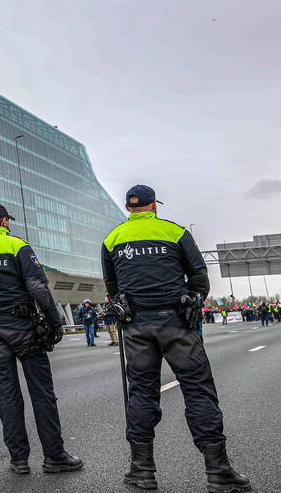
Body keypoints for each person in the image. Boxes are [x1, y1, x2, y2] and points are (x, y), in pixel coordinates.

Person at [103, 185, 250, 492]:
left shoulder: (112, 238)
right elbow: (199, 277)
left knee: (141, 393)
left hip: (136, 327)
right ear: (153, 204)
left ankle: (142, 470)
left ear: (129, 208)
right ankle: (218, 472)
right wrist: (192, 304)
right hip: (178, 323)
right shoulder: (176, 232)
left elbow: (112, 285)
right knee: (198, 391)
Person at [0, 205, 82, 475]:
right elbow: (38, 287)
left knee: (7, 396)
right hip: (24, 328)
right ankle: (54, 457)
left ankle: (18, 459)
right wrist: (55, 322)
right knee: (42, 393)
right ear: (4, 222)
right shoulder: (18, 246)